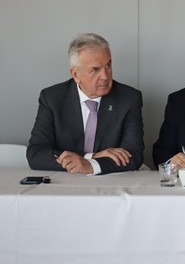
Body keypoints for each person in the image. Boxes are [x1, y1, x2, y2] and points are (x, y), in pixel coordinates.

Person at [27, 33, 144, 175]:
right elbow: (36, 153)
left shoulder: (129, 98)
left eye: (108, 65)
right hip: (65, 181)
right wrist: (90, 158)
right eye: (95, 69)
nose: (105, 76)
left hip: (110, 183)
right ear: (75, 74)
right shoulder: (52, 98)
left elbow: (134, 155)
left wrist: (91, 166)